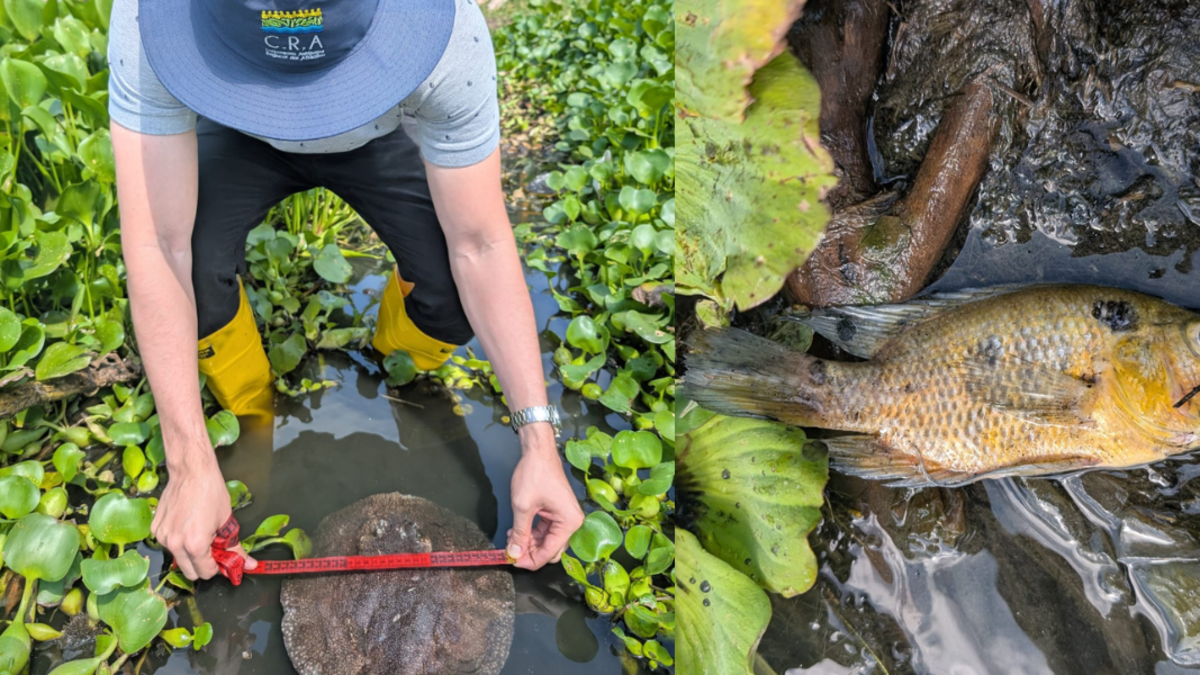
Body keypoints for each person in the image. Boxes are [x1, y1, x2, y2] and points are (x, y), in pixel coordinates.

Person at [108, 0, 584, 580]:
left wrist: (539, 443)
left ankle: (395, 363)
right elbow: (160, 243)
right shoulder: (147, 25)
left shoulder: (450, 40)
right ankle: (250, 409)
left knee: (450, 290)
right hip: (234, 131)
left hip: (377, 132)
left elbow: (480, 245)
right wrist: (186, 463)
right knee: (195, 271)